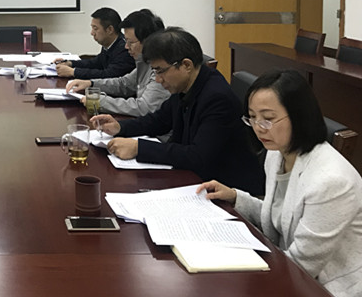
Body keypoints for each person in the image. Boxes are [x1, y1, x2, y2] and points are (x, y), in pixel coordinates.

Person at [198, 70, 362, 297]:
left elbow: (303, 264)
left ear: (299, 116)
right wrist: (236, 197)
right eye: (252, 117)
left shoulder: (331, 181)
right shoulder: (277, 153)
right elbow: (281, 216)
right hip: (291, 269)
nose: (258, 127)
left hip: (332, 288)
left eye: (268, 118)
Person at [91, 27, 264, 196]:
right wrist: (120, 127)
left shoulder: (217, 98)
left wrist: (139, 148)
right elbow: (159, 120)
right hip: (196, 179)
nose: (158, 80)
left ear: (186, 65)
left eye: (160, 71)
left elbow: (198, 156)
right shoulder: (186, 85)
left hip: (228, 190)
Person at [66, 9, 170, 117]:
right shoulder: (144, 62)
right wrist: (91, 84)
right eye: (126, 41)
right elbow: (124, 84)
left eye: (131, 42)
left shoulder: (162, 70)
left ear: (149, 42)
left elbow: (143, 107)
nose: (126, 46)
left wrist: (100, 101)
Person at [54, 7, 135, 79]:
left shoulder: (125, 49)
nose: (92, 33)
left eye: (95, 29)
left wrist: (73, 72)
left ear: (110, 29)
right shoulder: (109, 44)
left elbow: (108, 75)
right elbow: (95, 63)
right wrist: (70, 63)